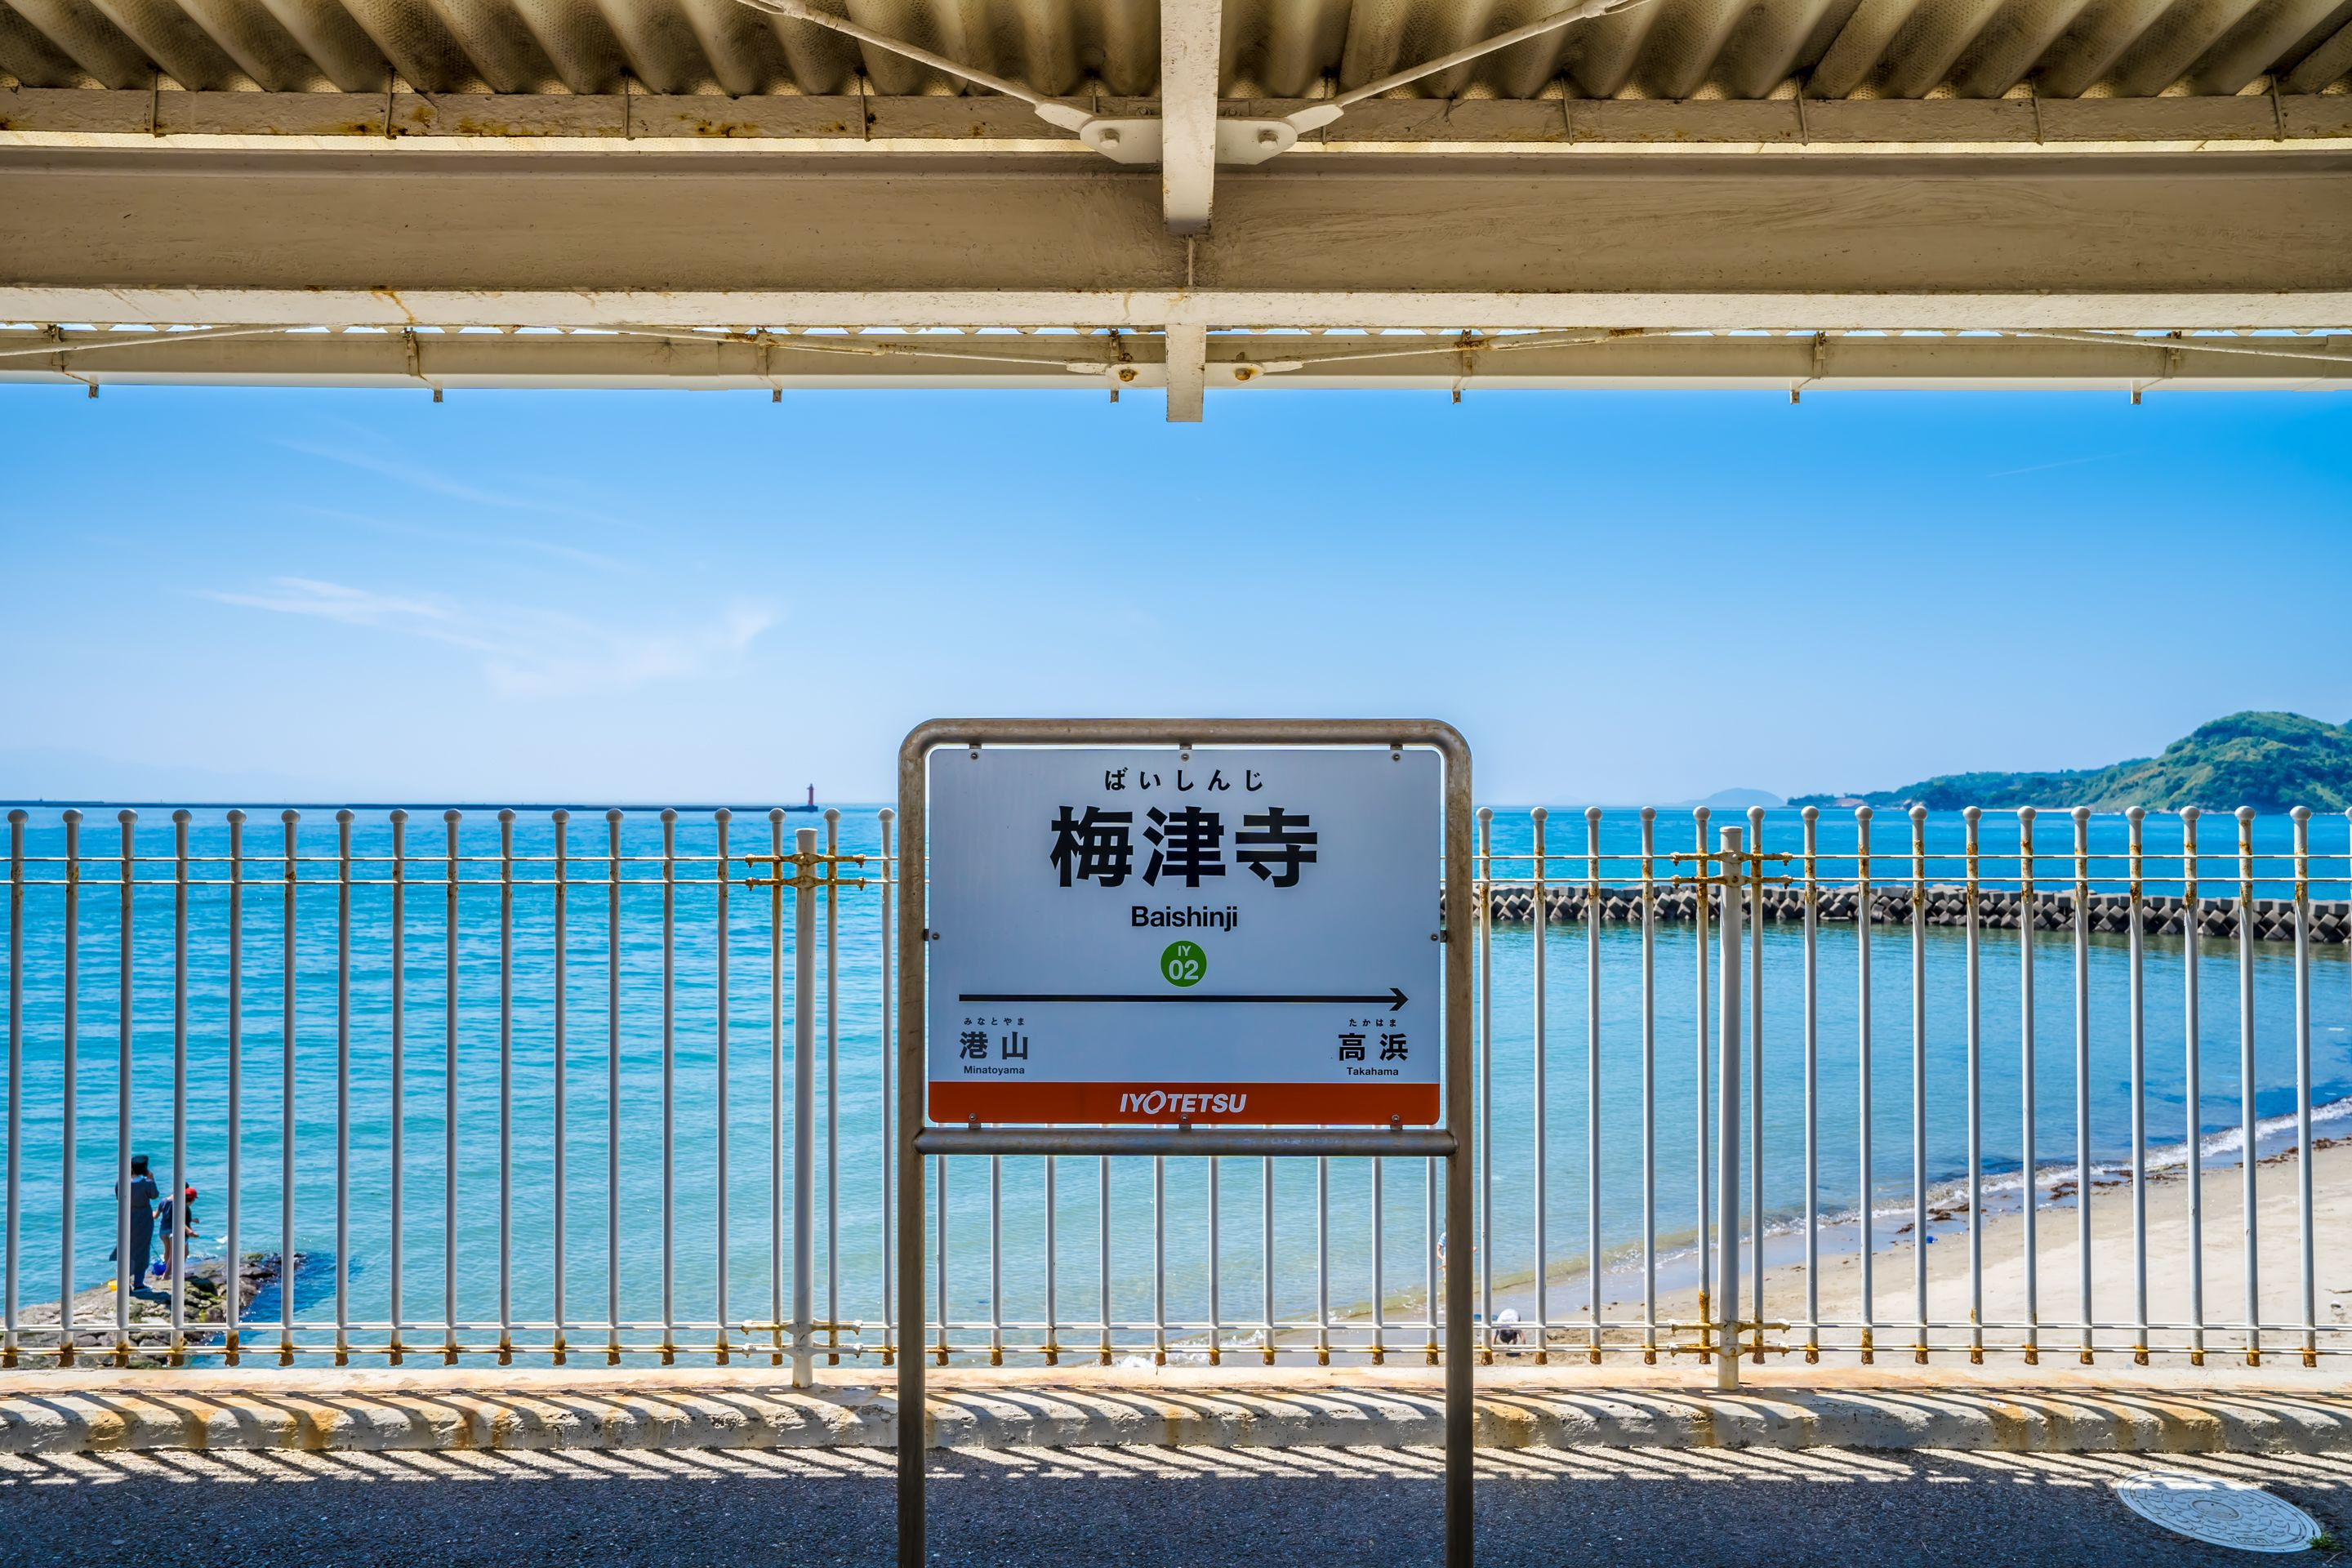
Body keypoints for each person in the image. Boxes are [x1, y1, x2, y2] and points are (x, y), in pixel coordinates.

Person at [111, 1155, 159, 1293]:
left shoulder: (121, 1183)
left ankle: (124, 1282)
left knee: (125, 1249)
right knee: (142, 1250)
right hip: (143, 1219)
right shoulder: (146, 1184)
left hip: (126, 1218)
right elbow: (154, 1195)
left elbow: (118, 1198)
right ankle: (138, 1283)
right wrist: (151, 1179)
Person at [155, 1186, 198, 1281]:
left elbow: (157, 1216)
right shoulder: (180, 1204)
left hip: (163, 1230)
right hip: (174, 1231)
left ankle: (168, 1272)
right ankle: (174, 1273)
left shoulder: (164, 1201)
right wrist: (189, 1230)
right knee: (183, 1253)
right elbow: (179, 1219)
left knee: (168, 1251)